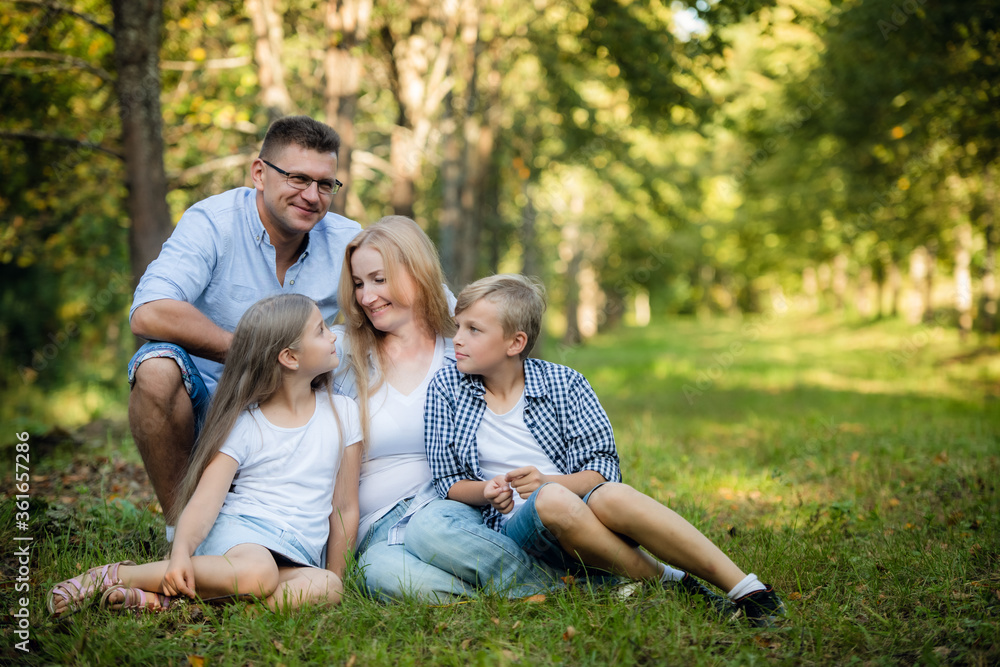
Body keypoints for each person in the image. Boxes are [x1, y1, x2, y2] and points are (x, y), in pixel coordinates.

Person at [425, 274, 787, 626]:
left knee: (610, 495)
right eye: (458, 327)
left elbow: (602, 471)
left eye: (473, 330)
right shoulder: (446, 387)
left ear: (515, 343)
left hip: (582, 512)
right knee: (552, 500)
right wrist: (487, 492)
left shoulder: (564, 383)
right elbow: (447, 480)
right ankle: (671, 580)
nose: (457, 340)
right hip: (520, 532)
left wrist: (548, 482)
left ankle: (749, 590)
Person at [48, 294, 362, 615]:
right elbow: (205, 501)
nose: (333, 335)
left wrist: (336, 576)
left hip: (296, 554)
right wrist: (181, 552)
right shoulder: (248, 423)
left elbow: (345, 507)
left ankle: (182, 603)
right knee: (258, 574)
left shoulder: (344, 414)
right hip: (242, 538)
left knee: (328, 586)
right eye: (321, 330)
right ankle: (118, 575)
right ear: (290, 358)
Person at [128, 115, 362, 525]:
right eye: (298, 178)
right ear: (260, 172)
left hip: (299, 418)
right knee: (155, 370)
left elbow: (423, 299)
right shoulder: (213, 223)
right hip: (207, 412)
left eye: (325, 184)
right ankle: (179, 528)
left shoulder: (347, 239)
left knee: (358, 344)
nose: (312, 195)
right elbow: (150, 310)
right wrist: (255, 351)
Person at [333, 216, 567, 602]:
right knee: (379, 572)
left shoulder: (459, 351)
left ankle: (545, 587)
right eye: (358, 284)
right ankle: (523, 593)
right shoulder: (344, 351)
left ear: (416, 271)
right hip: (379, 526)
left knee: (432, 529)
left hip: (450, 511)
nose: (366, 296)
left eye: (379, 279)